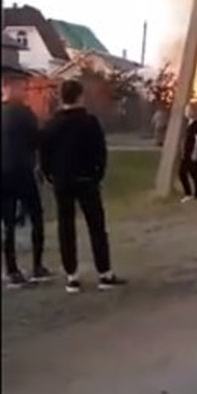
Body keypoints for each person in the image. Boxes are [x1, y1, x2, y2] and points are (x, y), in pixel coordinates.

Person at [41, 79, 127, 293]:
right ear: (80, 96)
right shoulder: (90, 122)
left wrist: (50, 175)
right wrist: (98, 174)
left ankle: (72, 277)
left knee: (66, 227)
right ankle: (104, 274)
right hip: (87, 180)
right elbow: (100, 151)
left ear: (62, 98)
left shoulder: (52, 124)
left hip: (62, 181)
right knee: (96, 226)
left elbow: (44, 155)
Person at [1, 72, 50, 288]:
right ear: (12, 88)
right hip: (22, 171)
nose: (25, 92)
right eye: (22, 88)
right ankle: (37, 265)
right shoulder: (24, 113)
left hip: (3, 173)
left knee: (7, 222)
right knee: (36, 215)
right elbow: (36, 141)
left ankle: (11, 269)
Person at [178, 103, 197, 202]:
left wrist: (195, 152)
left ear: (193, 112)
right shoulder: (188, 123)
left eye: (188, 110)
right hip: (186, 151)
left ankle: (190, 194)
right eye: (186, 110)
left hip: (191, 151)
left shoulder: (196, 124)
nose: (186, 112)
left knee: (184, 173)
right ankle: (194, 194)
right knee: (192, 173)